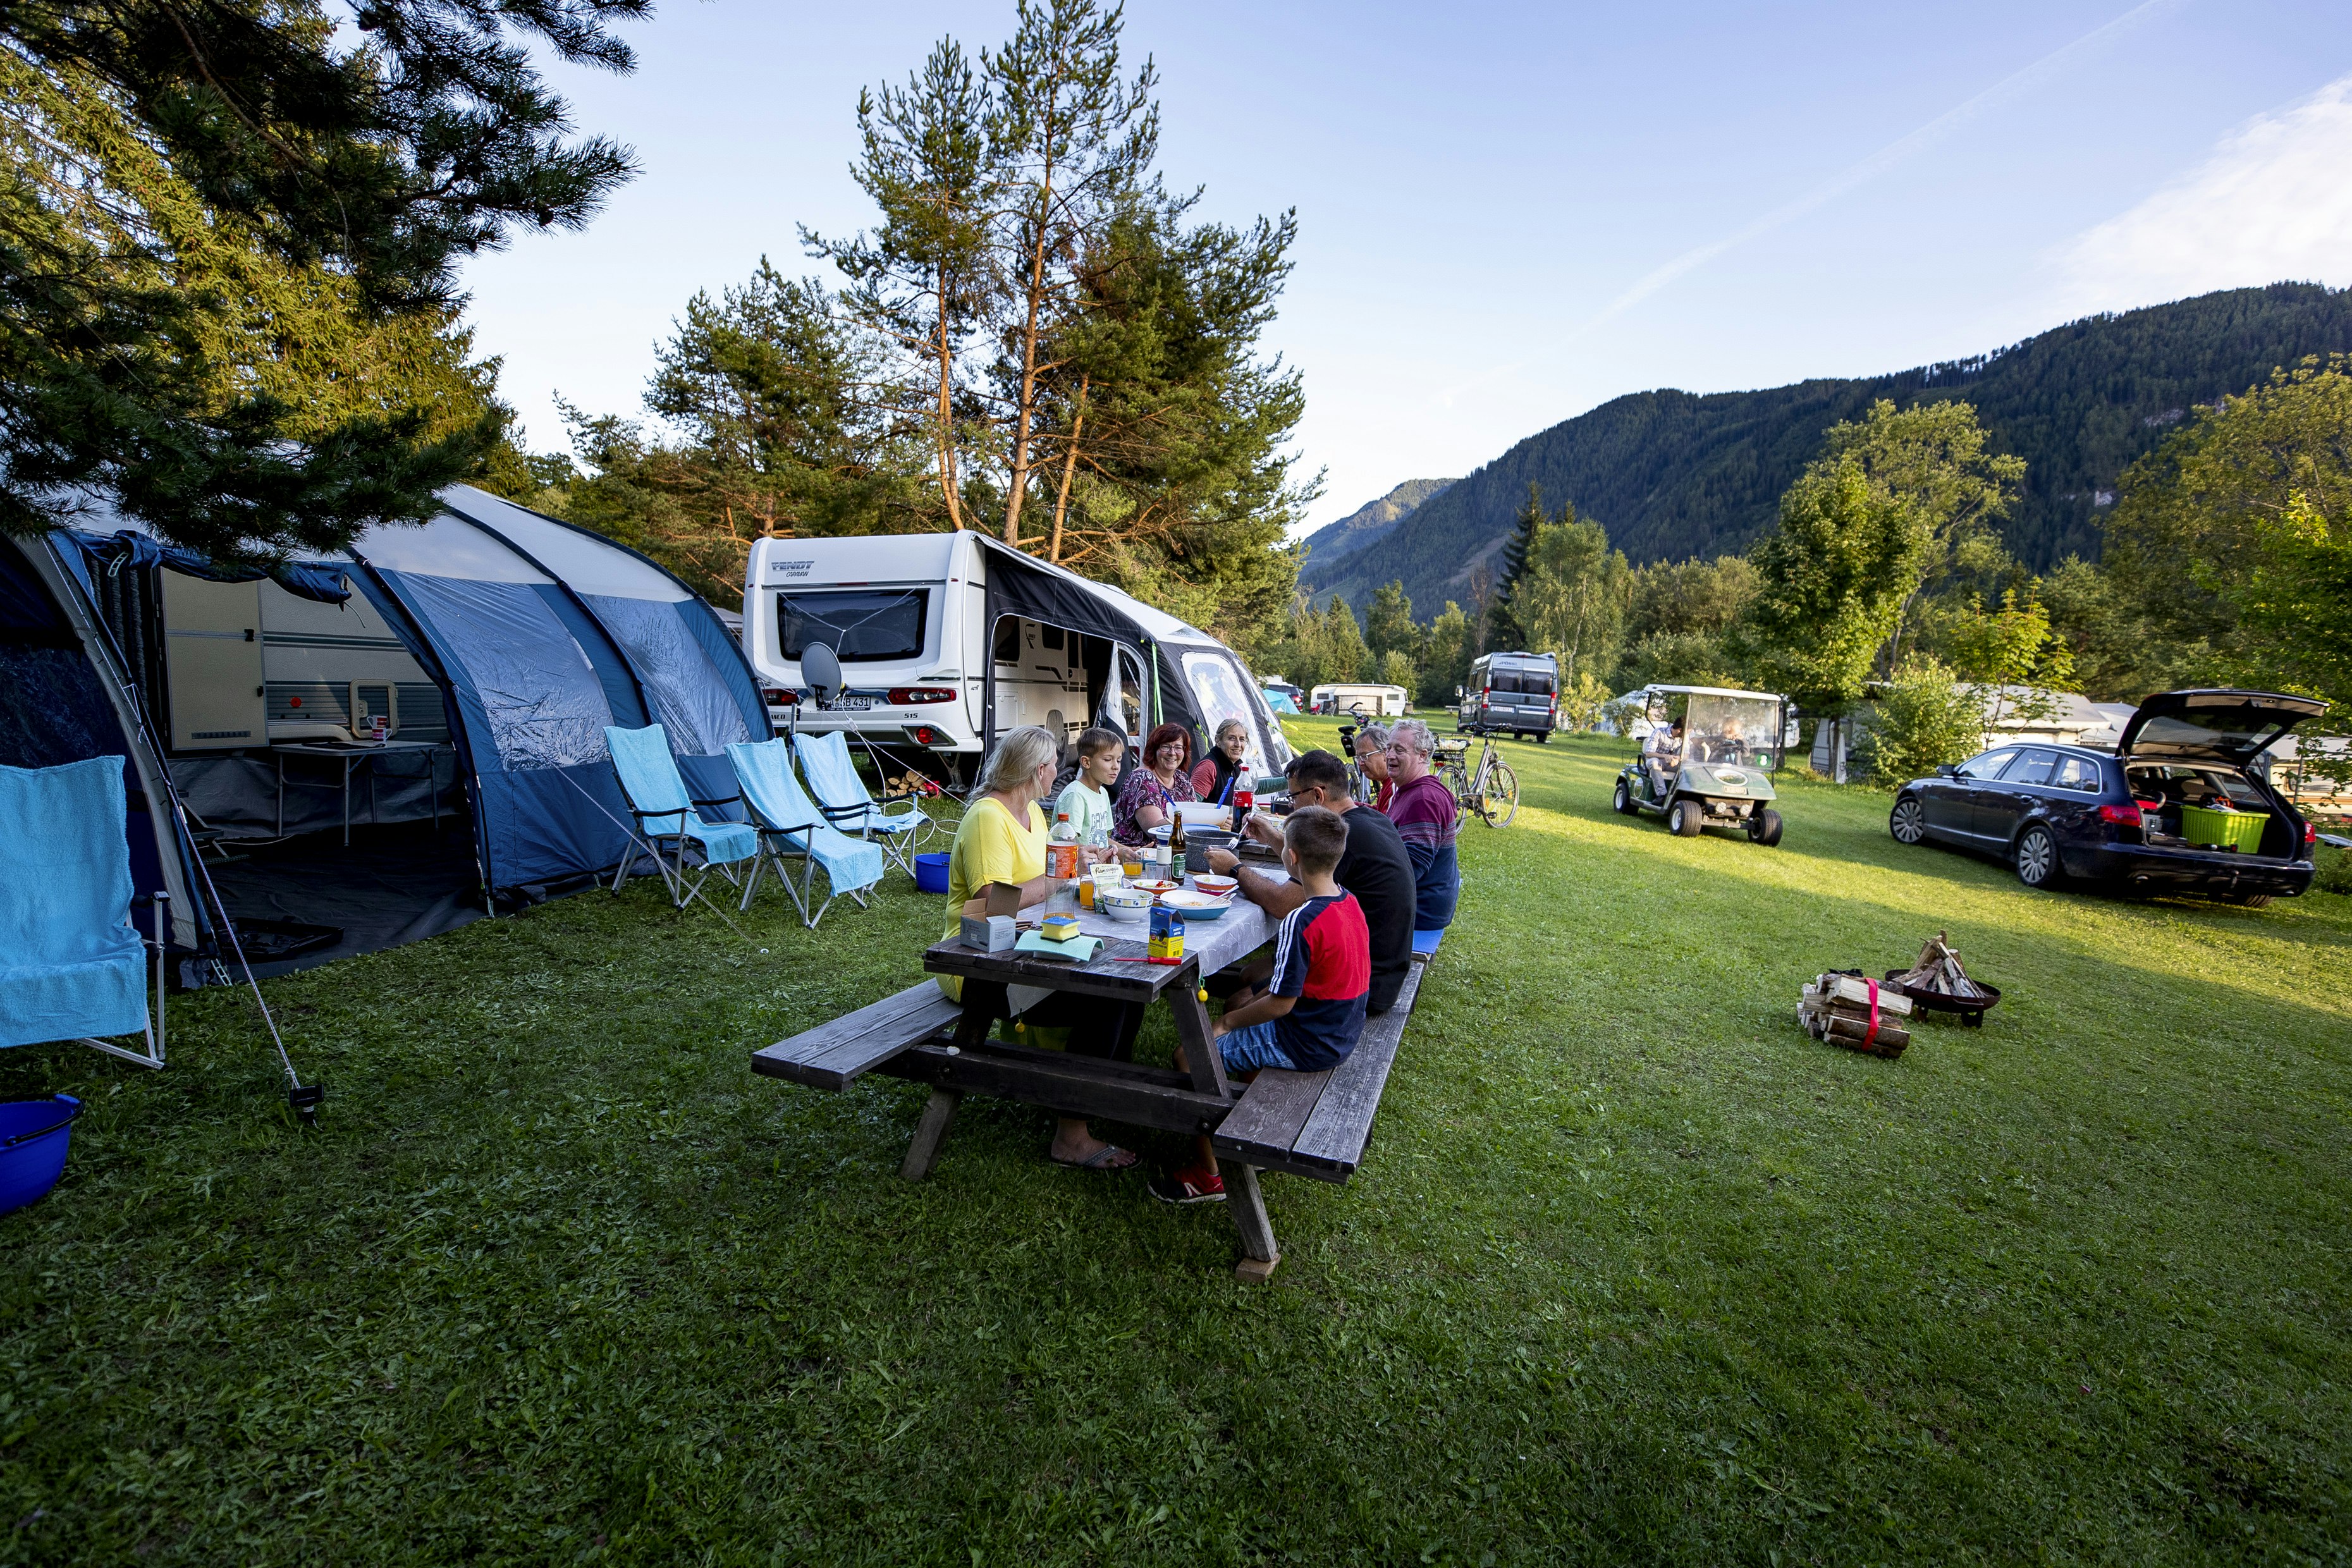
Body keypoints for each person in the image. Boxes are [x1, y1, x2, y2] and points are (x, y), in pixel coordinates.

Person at [938, 725, 1135, 1172]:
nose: (1057, 774)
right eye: (1053, 766)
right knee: (1106, 1000)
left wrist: (1079, 861)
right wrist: (1057, 877)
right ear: (1035, 770)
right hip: (978, 965)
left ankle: (1103, 1095)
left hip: (1026, 946)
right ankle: (1071, 1136)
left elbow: (1051, 876)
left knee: (1125, 987)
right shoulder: (988, 818)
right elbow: (990, 901)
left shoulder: (1034, 813)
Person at [1155, 805, 1369, 1206]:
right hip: (1340, 1032)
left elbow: (1280, 1005)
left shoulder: (1301, 920)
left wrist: (1228, 1024)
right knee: (1242, 1001)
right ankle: (1244, 1122)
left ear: (1292, 858)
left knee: (1188, 1056)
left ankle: (1209, 1176)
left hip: (1305, 1041)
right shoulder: (1349, 902)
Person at [1204, 748, 1414, 1017]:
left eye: (1293, 797)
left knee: (1237, 1004)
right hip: (1379, 966)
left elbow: (1282, 904)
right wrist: (1272, 838)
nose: (1292, 805)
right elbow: (1310, 862)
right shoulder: (1367, 820)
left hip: (1363, 983)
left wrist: (1234, 869)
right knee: (1249, 974)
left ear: (1317, 795)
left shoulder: (1345, 837)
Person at [1383, 718, 1460, 931]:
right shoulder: (1411, 789)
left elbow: (1411, 868)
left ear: (1423, 755)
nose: (1389, 755)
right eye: (1388, 748)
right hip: (1421, 902)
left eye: (1399, 750)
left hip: (1422, 910)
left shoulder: (1424, 799)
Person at [1114, 721, 1197, 842]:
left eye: (1178, 748)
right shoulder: (1142, 778)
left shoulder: (1182, 780)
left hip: (1176, 849)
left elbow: (1195, 812)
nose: (1172, 753)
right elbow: (1154, 828)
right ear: (1154, 749)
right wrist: (1203, 820)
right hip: (1139, 852)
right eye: (1165, 747)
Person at [1055, 727, 1125, 846]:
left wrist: (1129, 851)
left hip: (1098, 858)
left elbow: (1102, 839)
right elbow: (1067, 843)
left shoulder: (1103, 792)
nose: (1116, 766)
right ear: (1086, 762)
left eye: (1118, 760)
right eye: (1108, 759)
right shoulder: (1076, 795)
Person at [1190, 716, 1251, 809]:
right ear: (1218, 741)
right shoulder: (1209, 767)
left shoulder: (1235, 767)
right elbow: (1191, 807)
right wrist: (1220, 816)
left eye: (1242, 739)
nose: (1238, 745)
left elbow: (1251, 786)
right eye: (1232, 738)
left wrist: (1278, 782)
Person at [1354, 722, 1393, 813]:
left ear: (1385, 754)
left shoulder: (1394, 787)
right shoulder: (1387, 783)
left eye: (1365, 756)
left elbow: (1383, 819)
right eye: (1358, 757)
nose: (1360, 763)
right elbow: (1379, 811)